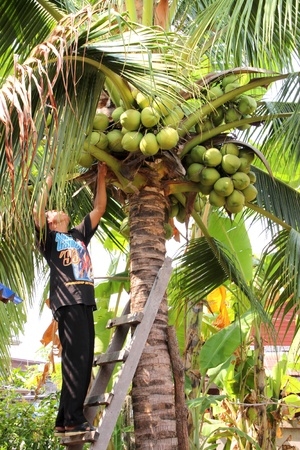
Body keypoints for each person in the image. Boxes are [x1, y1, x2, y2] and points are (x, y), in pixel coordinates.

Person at [33, 162, 107, 437]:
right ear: (51, 220)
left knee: (83, 360)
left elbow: (99, 209)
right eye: (52, 210)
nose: (56, 209)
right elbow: (35, 210)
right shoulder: (49, 239)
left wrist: (101, 176)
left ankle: (65, 419)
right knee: (76, 360)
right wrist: (50, 176)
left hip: (84, 301)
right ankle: (75, 419)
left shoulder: (78, 234)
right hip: (68, 301)